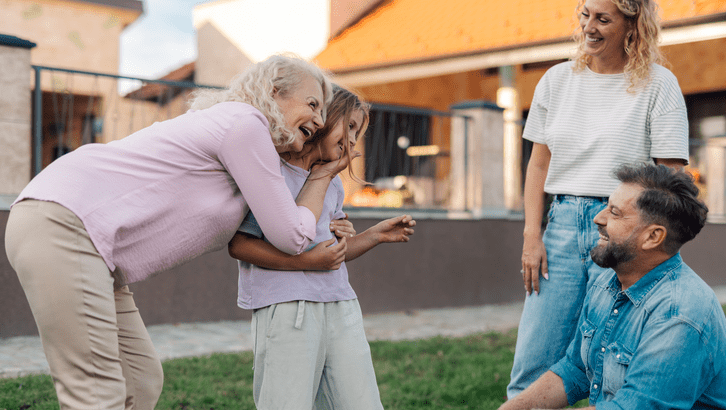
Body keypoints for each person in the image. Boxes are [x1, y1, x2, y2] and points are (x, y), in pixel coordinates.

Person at [3, 55, 349, 410]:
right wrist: (322, 176)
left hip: (85, 241)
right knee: (96, 393)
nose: (320, 120)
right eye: (312, 105)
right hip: (64, 223)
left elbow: (283, 214)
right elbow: (291, 235)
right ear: (274, 92)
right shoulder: (244, 123)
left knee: (140, 380)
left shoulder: (242, 138)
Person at [508, 0, 689, 397]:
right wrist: (530, 235)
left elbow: (671, 178)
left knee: (611, 359)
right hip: (560, 225)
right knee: (533, 358)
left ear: (631, 25)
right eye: (585, 15)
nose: (589, 26)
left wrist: (643, 240)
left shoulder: (659, 85)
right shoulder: (556, 80)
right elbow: (538, 167)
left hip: (623, 228)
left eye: (603, 19)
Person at [499, 163, 726, 409]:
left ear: (653, 237)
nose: (598, 218)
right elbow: (573, 370)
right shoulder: (605, 283)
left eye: (614, 213)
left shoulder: (679, 313)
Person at [227, 86, 416, 409]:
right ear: (324, 118)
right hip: (288, 308)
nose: (354, 141)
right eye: (351, 127)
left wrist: (373, 236)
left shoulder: (334, 182)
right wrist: (308, 262)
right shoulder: (272, 173)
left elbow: (331, 257)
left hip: (340, 304)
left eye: (359, 132)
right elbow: (240, 245)